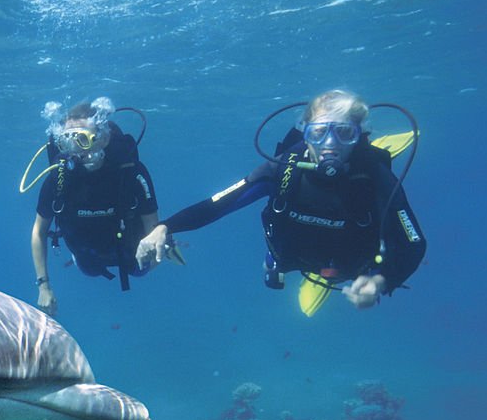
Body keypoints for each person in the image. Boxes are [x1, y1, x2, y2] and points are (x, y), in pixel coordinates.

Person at [135, 90, 426, 313]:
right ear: (306, 134)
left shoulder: (375, 178)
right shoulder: (282, 170)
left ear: (358, 136)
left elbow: (413, 243)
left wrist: (380, 281)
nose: (330, 145)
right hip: (292, 259)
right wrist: (164, 226)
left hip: (356, 267)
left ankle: (373, 146)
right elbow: (218, 204)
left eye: (344, 133)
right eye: (319, 132)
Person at [26, 97, 162, 316]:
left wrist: (156, 249)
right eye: (67, 141)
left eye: (82, 139)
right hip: (85, 255)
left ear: (102, 137)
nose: (76, 151)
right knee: (88, 270)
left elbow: (152, 225)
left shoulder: (130, 171)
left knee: (140, 270)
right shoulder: (58, 178)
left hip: (130, 250)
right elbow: (38, 231)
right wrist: (43, 286)